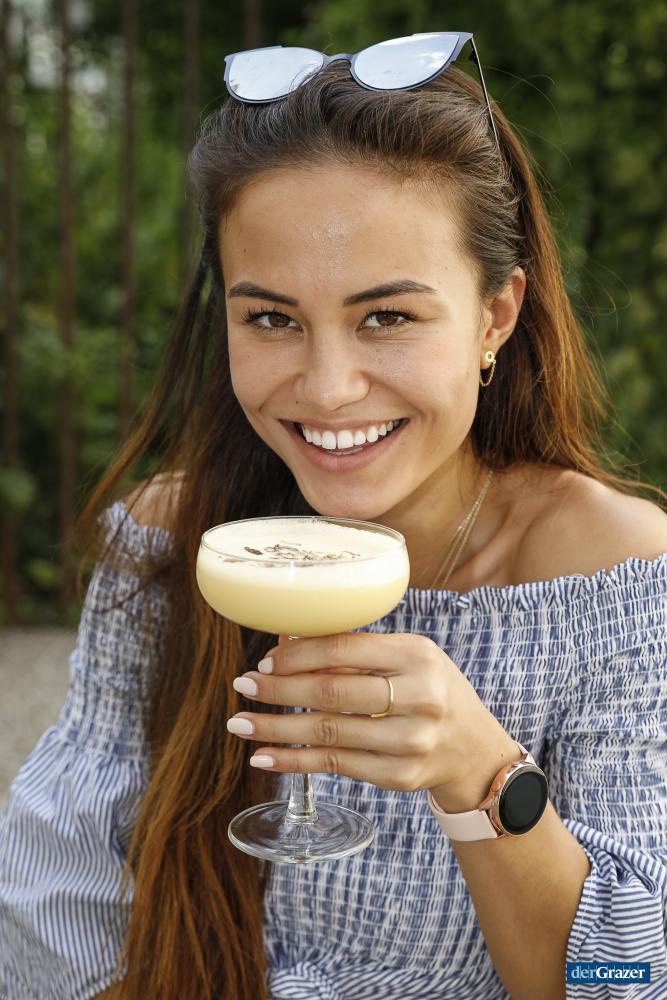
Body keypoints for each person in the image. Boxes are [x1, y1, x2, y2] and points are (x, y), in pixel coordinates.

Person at [1, 31, 666, 1000]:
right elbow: (54, 917)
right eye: (271, 318)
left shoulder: (613, 581)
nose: (326, 387)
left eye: (386, 317)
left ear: (495, 316)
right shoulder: (174, 541)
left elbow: (628, 975)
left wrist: (480, 775)